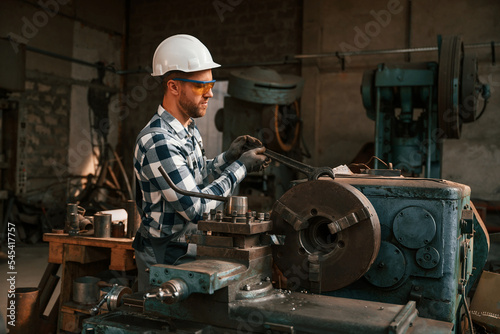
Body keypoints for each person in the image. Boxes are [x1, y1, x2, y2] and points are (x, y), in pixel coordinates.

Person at [132, 34, 269, 291]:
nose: (210, 93)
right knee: (163, 322)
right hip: (163, 251)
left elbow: (191, 174)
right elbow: (196, 207)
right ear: (173, 87)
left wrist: (228, 157)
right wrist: (240, 168)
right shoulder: (158, 140)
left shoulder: (188, 127)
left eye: (211, 84)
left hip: (184, 244)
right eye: (200, 86)